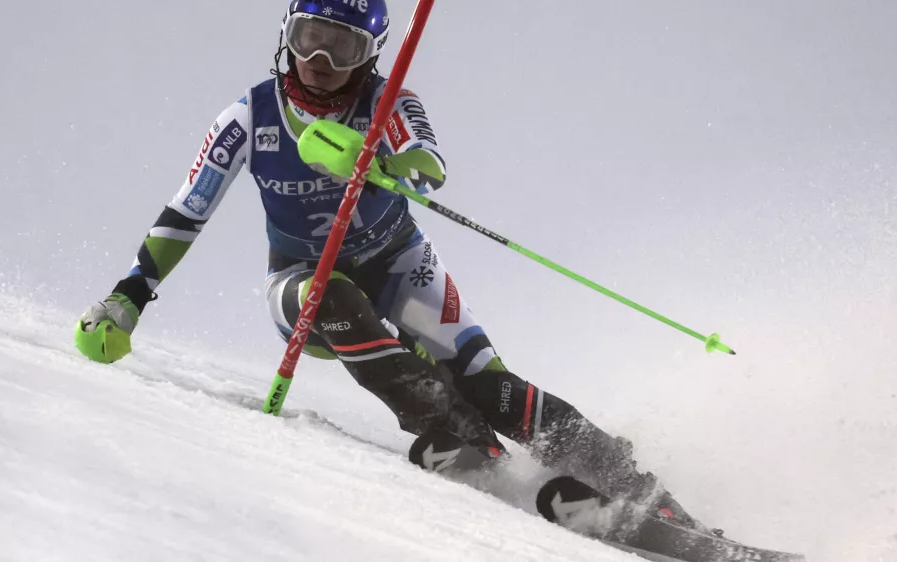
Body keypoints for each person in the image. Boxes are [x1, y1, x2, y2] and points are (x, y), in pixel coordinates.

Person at [75, 0, 706, 533]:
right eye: (308, 41)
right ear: (287, 36)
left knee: (494, 385)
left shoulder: (389, 100)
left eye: (340, 49)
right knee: (330, 296)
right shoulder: (249, 116)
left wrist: (377, 160)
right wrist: (129, 295)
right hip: (302, 276)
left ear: (370, 53)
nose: (319, 64)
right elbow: (187, 211)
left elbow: (428, 164)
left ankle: (651, 499)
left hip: (400, 263)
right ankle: (459, 434)